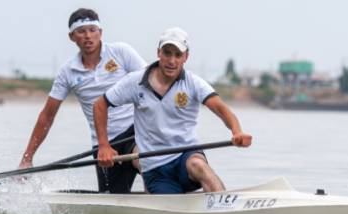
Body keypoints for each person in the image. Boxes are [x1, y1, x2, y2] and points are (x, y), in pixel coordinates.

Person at [94, 27, 252, 194]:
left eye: (178, 55)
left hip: (186, 156)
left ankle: (223, 204)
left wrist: (237, 131)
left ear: (186, 57)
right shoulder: (136, 82)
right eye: (167, 53)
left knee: (198, 165)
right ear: (158, 53)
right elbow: (100, 105)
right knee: (169, 202)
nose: (172, 60)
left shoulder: (193, 83)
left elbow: (222, 109)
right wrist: (103, 145)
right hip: (155, 168)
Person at [17, 8, 146, 193]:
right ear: (72, 37)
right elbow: (47, 117)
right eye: (81, 31)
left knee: (145, 161)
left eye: (93, 30)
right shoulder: (67, 72)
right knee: (111, 204)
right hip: (103, 145)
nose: (88, 36)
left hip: (135, 131)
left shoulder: (121, 52)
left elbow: (152, 82)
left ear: (100, 32)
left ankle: (165, 197)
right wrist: (27, 158)